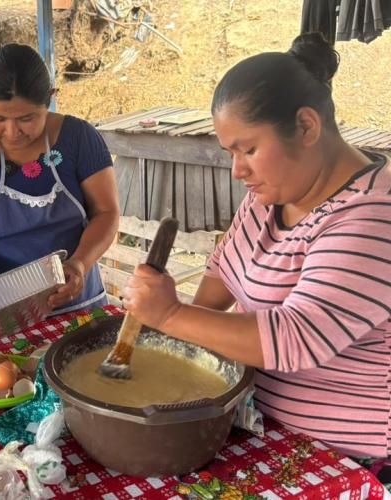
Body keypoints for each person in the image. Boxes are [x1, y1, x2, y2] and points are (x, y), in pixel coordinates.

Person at [122, 33, 391, 461]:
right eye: (230, 152)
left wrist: (170, 315)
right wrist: (164, 345)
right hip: (257, 425)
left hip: (341, 459)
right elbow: (223, 271)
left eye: (248, 149)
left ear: (306, 126)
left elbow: (296, 337)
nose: (237, 170)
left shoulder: (374, 214)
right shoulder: (274, 193)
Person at [0, 43, 119, 314]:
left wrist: (79, 264)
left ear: (49, 99)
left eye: (27, 118)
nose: (12, 131)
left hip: (78, 304)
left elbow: (106, 211)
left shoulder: (79, 138)